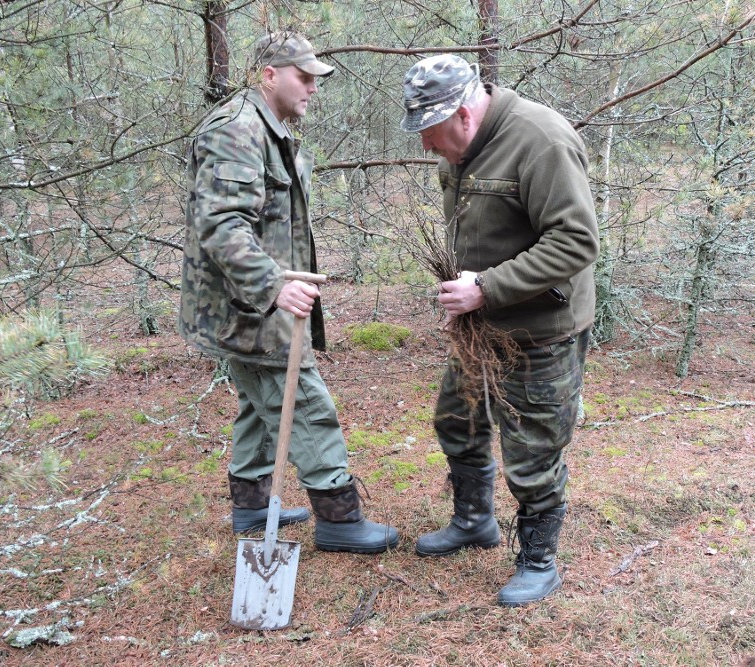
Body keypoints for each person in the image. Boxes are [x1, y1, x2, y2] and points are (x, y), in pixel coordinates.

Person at [178, 32, 398, 554]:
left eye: (316, 78)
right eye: (304, 77)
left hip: (248, 302)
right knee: (301, 400)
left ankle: (252, 507)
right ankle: (340, 519)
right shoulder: (237, 131)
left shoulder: (267, 128)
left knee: (261, 403)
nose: (313, 88)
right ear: (269, 75)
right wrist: (273, 284)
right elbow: (223, 226)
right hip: (245, 305)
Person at [399, 54, 599, 605]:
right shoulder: (462, 146)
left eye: (430, 133)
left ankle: (539, 560)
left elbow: (577, 241)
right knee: (456, 421)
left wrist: (485, 286)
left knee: (533, 450)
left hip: (540, 329)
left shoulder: (541, 141)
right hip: (480, 326)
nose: (425, 147)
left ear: (464, 114)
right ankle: (473, 520)